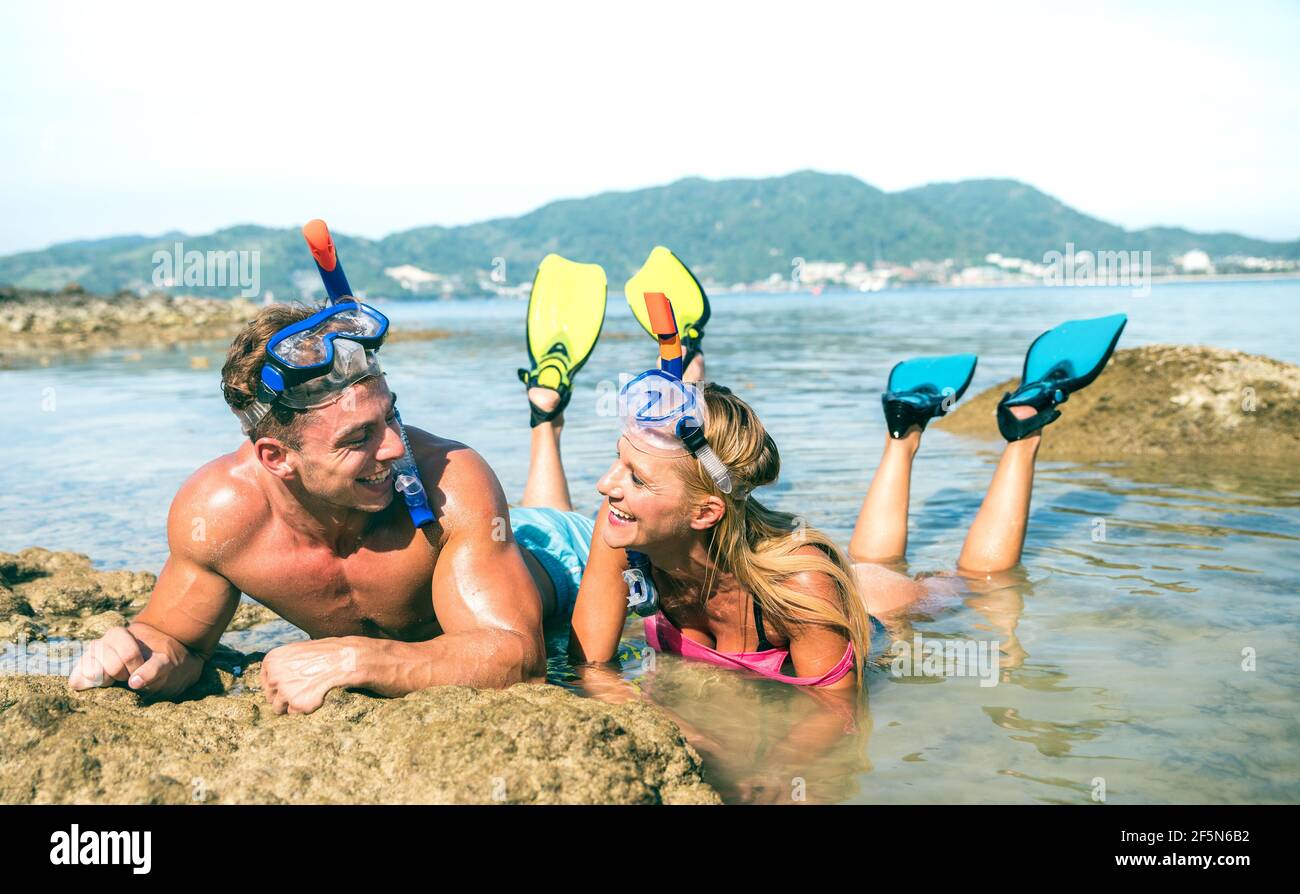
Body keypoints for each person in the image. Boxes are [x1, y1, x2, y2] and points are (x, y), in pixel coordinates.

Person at [67, 257, 617, 713]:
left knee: (565, 522)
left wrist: (360, 659)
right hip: (488, 546)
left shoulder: (451, 477)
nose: (395, 447)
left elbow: (519, 658)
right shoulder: (217, 514)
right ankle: (546, 414)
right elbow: (179, 643)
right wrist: (137, 654)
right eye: (358, 438)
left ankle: (546, 416)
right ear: (276, 457)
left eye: (390, 415)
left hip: (558, 557)